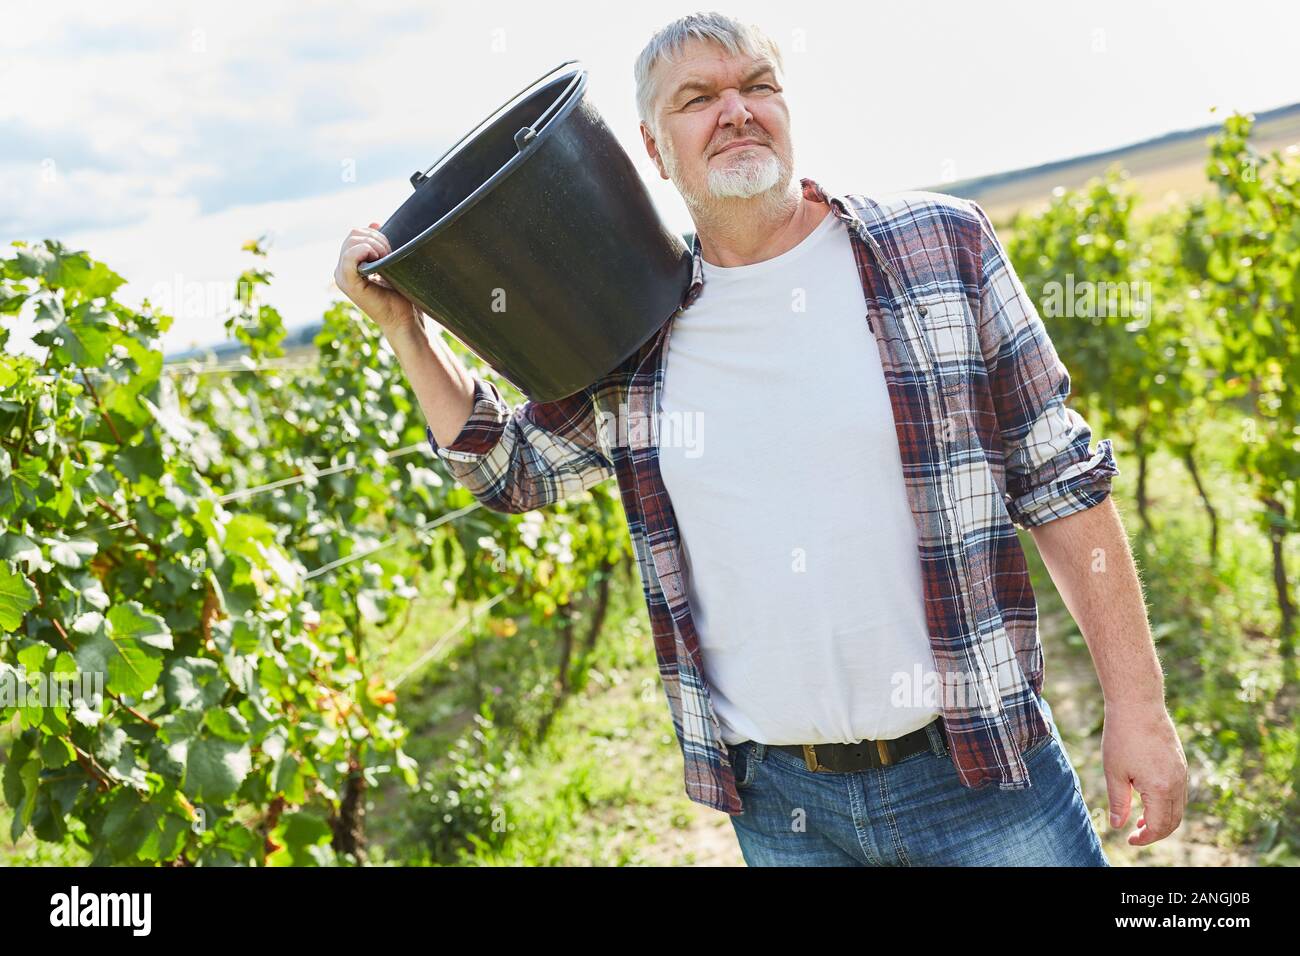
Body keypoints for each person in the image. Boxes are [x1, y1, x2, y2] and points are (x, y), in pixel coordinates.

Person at [334, 11, 1187, 866]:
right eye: (698, 98)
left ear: (787, 106)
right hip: (784, 810)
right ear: (651, 148)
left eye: (758, 86)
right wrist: (408, 333)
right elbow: (510, 473)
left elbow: (1062, 483)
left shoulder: (940, 249)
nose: (735, 110)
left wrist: (1138, 707)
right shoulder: (637, 332)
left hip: (981, 779)